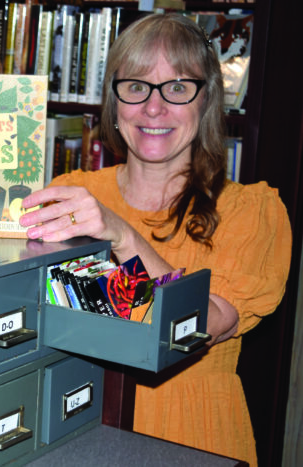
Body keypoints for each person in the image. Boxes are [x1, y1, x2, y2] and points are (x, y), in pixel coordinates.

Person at [19, 12, 291, 466]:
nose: (153, 108)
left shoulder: (251, 211)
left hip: (192, 437)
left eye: (178, 88)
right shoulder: (72, 192)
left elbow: (206, 325)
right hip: (74, 430)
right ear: (115, 99)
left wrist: (123, 236)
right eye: (137, 86)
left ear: (206, 102)